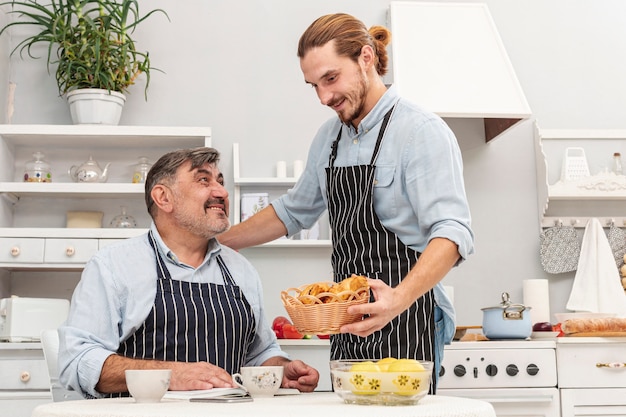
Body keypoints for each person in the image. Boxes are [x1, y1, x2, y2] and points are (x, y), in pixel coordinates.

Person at [217, 13, 474, 393]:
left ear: (366, 58)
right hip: (346, 318)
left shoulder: (420, 131)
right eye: (314, 85)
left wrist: (397, 300)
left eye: (331, 78)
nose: (324, 97)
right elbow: (293, 211)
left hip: (406, 315)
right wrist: (216, 243)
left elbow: (453, 234)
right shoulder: (329, 138)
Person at [58, 147, 319, 398]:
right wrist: (171, 375)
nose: (221, 192)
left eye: (220, 181)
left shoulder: (241, 270)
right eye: (203, 180)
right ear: (163, 198)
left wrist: (281, 369)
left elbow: (259, 353)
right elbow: (78, 361)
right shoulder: (113, 266)